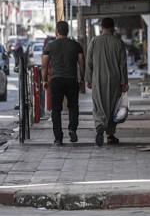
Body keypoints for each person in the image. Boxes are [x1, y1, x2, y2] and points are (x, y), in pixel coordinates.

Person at [85, 18, 128, 147]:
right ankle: (110, 134)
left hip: (98, 79)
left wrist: (88, 79)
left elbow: (89, 63)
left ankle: (99, 126)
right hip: (114, 80)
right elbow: (123, 65)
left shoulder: (94, 41)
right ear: (113, 27)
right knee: (113, 107)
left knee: (98, 105)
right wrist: (124, 82)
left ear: (101, 27)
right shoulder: (118, 43)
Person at [42, 21, 85, 145]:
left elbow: (44, 66)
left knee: (56, 110)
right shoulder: (76, 45)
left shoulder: (50, 46)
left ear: (57, 31)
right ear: (68, 31)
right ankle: (72, 128)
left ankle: (58, 138)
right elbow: (81, 63)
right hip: (71, 80)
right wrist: (82, 79)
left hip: (56, 81)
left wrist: (44, 80)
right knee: (73, 106)